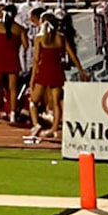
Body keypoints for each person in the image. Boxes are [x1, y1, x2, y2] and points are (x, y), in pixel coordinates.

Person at [25, 13, 74, 147]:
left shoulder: (40, 38)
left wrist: (32, 79)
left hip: (43, 71)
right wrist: (81, 70)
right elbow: (70, 53)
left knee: (33, 101)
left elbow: (36, 60)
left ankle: (36, 124)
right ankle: (54, 129)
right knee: (56, 102)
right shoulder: (61, 37)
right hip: (57, 71)